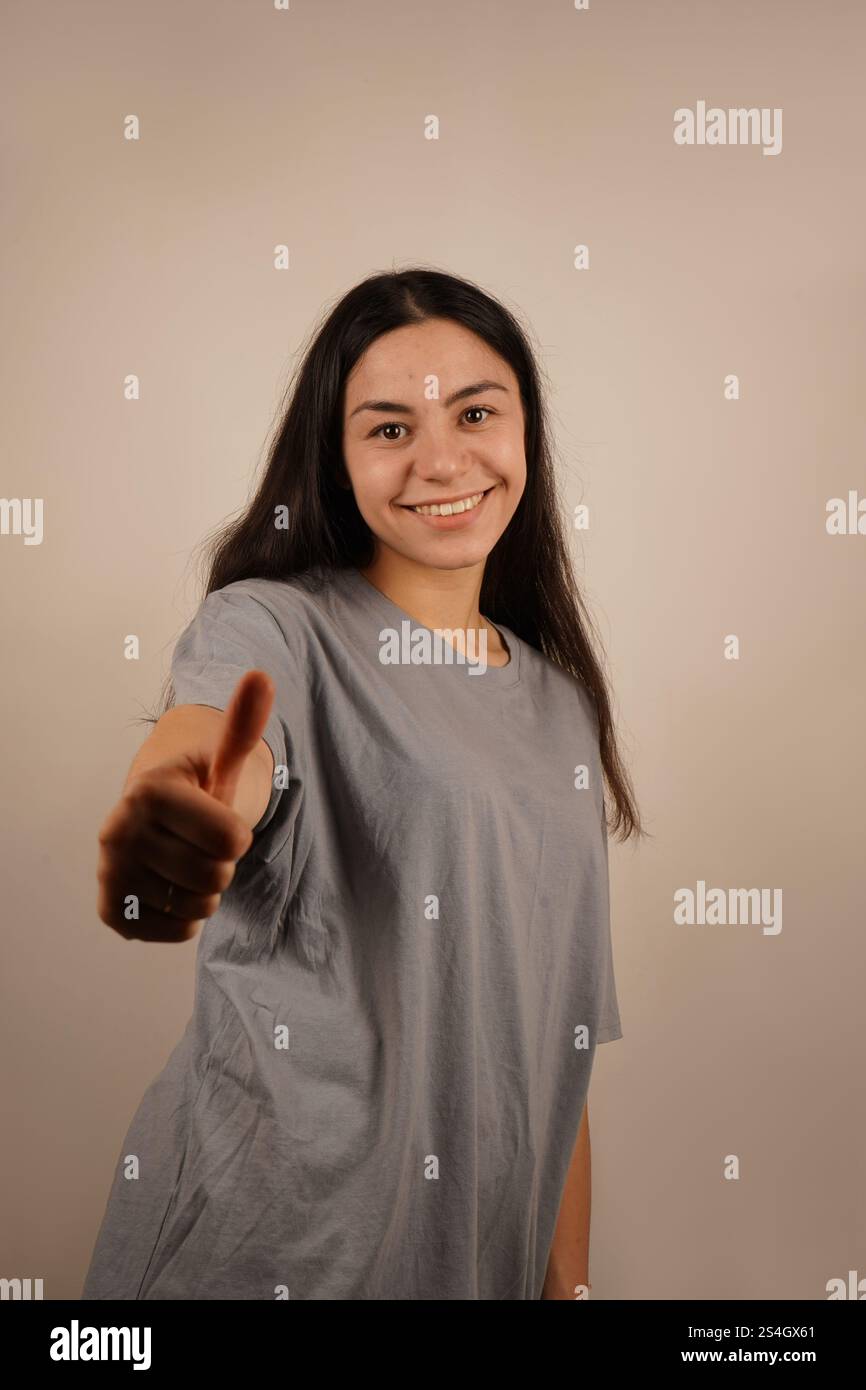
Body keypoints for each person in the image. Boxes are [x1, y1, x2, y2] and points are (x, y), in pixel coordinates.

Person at [83, 266, 644, 1301]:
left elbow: (551, 1049)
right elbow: (218, 739)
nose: (440, 458)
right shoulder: (274, 622)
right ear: (336, 459)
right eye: (388, 428)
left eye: (475, 412)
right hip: (262, 1259)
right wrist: (185, 804)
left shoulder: (561, 704)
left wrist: (565, 1285)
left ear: (525, 429)